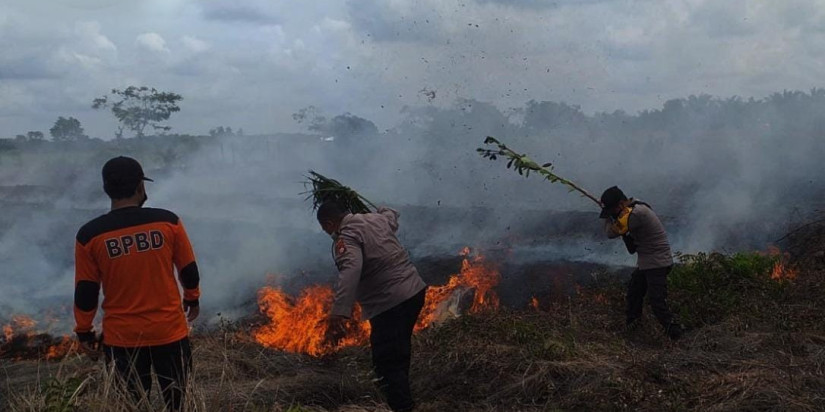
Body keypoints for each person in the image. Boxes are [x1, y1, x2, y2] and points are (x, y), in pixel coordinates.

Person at [74, 156, 201, 411]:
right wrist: (192, 297)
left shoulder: (90, 235)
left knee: (131, 405)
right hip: (169, 332)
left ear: (106, 189)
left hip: (122, 339)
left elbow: (86, 290)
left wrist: (84, 331)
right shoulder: (168, 222)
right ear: (140, 187)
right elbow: (188, 269)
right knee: (178, 403)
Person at [317, 201, 428, 412]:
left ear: (330, 222)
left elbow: (350, 270)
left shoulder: (346, 237)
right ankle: (404, 397)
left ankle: (402, 407)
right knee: (399, 350)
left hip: (390, 302)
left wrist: (340, 312)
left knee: (386, 361)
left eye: (325, 228)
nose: (327, 233)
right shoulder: (377, 219)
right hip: (414, 292)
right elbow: (391, 213)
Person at [600, 186, 683, 340]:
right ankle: (633, 329)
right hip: (650, 262)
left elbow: (610, 233)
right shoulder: (635, 208)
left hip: (656, 263)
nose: (613, 213)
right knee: (634, 293)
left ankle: (677, 335)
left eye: (612, 210)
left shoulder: (635, 214)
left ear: (620, 205)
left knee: (657, 302)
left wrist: (607, 217)